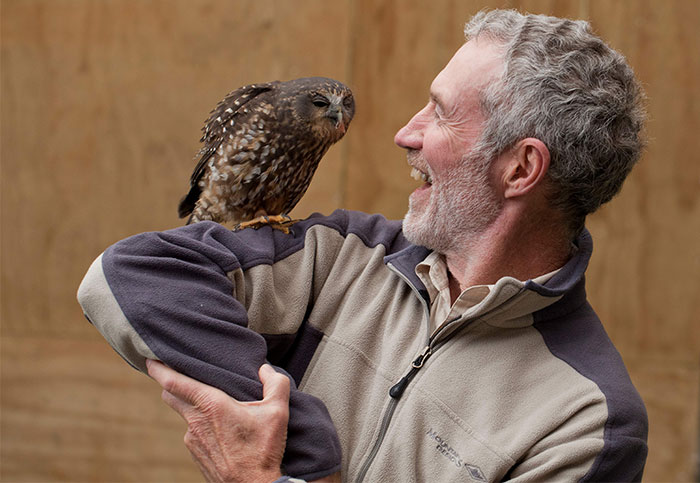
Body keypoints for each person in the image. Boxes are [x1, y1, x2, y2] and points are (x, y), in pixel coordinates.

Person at [78, 9, 649, 482]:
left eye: (441, 113)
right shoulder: (342, 257)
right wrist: (301, 440)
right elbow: (127, 276)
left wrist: (264, 476)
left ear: (521, 167)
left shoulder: (584, 423)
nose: (406, 132)